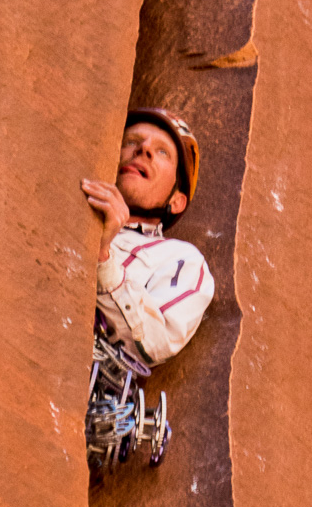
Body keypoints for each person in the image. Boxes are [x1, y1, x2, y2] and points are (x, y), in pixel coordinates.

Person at [81, 109, 215, 367]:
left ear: (176, 201)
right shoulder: (71, 198)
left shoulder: (181, 259)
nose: (143, 149)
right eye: (131, 142)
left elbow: (154, 343)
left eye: (162, 151)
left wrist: (102, 255)